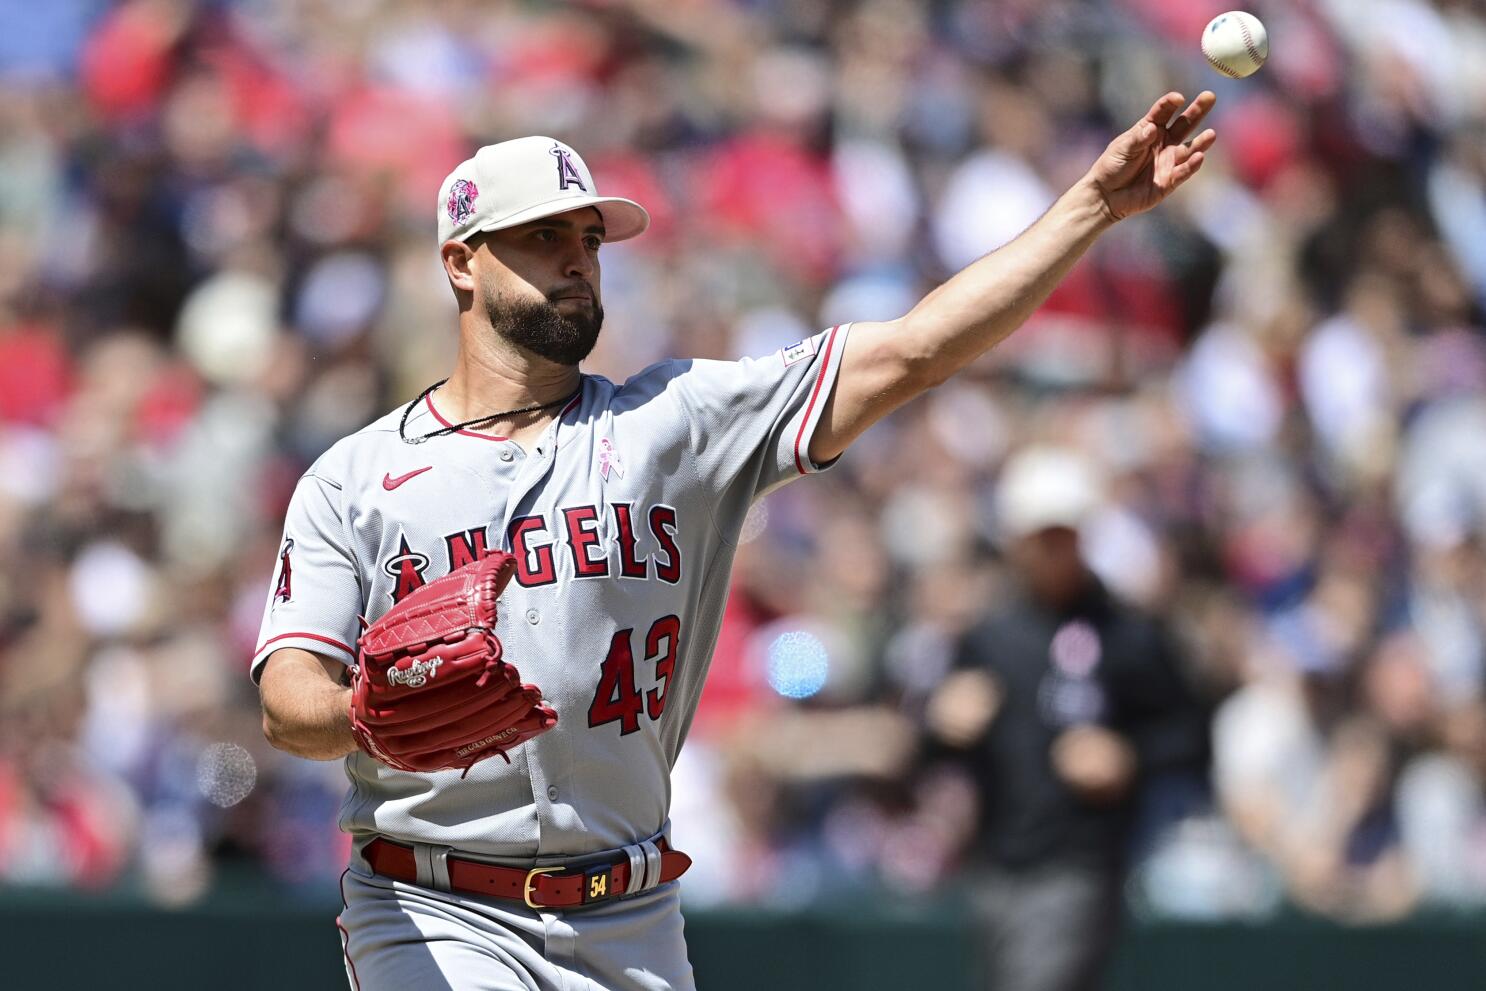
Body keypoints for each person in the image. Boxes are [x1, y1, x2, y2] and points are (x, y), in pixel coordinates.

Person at [255, 93, 1218, 991]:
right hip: (432, 905)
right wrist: (370, 715)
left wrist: (1090, 207)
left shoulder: (677, 421)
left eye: (588, 237)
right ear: (461, 261)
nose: (577, 258)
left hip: (628, 913)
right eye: (541, 236)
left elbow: (917, 349)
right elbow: (287, 698)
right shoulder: (355, 476)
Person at [926, 447, 1209, 991]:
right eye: (1041, 537)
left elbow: (1189, 734)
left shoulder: (1127, 634)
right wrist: (942, 722)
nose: (1056, 551)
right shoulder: (989, 637)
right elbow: (931, 747)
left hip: (1081, 864)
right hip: (997, 865)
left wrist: (1128, 755)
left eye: (1066, 535)